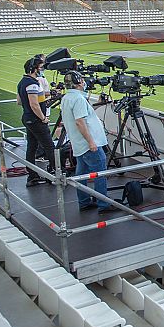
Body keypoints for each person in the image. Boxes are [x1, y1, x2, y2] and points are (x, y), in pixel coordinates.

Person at [60, 71, 110, 213]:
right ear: (78, 82)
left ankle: (84, 202)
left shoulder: (67, 97)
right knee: (100, 172)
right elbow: (80, 122)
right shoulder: (78, 99)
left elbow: (82, 116)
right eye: (82, 80)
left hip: (79, 144)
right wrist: (91, 142)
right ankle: (103, 204)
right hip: (88, 144)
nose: (84, 82)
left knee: (81, 174)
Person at [17, 59, 55, 186]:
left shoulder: (23, 82)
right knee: (49, 146)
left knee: (31, 147)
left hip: (28, 119)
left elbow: (20, 101)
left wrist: (47, 94)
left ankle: (32, 176)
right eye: (40, 67)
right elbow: (34, 104)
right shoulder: (32, 84)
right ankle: (55, 172)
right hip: (36, 120)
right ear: (33, 69)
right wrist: (43, 118)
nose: (42, 70)